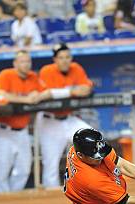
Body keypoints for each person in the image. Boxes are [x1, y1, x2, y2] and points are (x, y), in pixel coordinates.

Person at [36, 43, 94, 189]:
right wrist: (72, 91)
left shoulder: (76, 68)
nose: (65, 60)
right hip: (49, 121)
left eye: (67, 57)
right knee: (51, 165)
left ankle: (92, 184)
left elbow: (86, 89)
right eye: (61, 57)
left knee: (93, 139)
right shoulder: (46, 71)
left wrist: (62, 92)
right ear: (55, 59)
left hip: (69, 119)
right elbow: (46, 94)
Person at [0, 50, 51, 192]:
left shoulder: (33, 77)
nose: (26, 64)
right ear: (15, 63)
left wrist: (37, 95)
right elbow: (0, 96)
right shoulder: (6, 75)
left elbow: (47, 92)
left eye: (28, 61)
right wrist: (26, 99)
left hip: (22, 132)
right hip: (3, 130)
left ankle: (13, 197)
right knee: (2, 172)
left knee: (24, 169)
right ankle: (3, 200)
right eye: (22, 61)